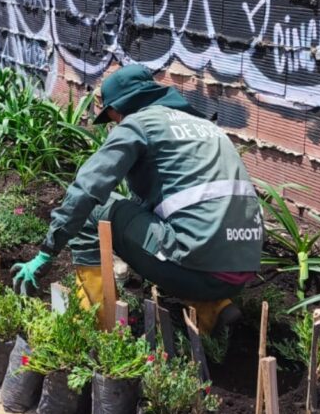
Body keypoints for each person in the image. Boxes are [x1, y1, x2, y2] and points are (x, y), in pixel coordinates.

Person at [18, 62, 264, 309]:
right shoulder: (207, 127)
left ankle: (94, 319)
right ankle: (213, 308)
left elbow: (87, 189)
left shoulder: (139, 123)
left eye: (114, 118)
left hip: (196, 274)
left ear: (122, 105)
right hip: (239, 272)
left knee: (93, 211)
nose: (116, 125)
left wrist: (47, 252)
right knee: (147, 215)